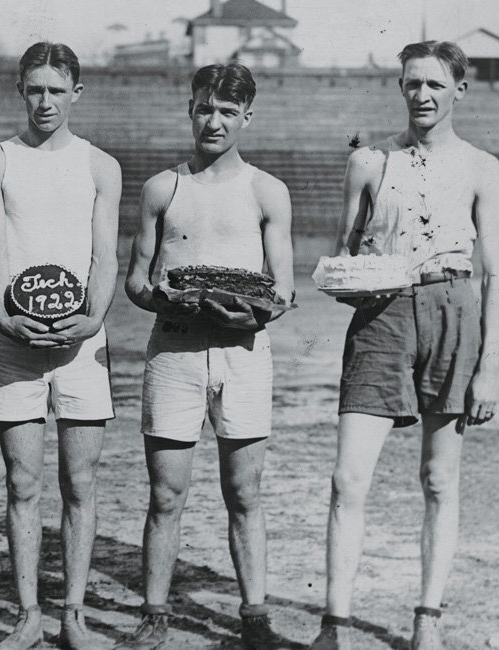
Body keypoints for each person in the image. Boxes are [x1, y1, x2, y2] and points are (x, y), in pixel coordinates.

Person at [308, 41, 499, 650]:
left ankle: (428, 620)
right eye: (411, 83)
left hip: (454, 313)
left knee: (439, 480)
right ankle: (334, 626)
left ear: (459, 91)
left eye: (435, 85)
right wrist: (351, 279)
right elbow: (342, 253)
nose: (421, 95)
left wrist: (488, 368)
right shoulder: (370, 161)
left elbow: (496, 273)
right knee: (348, 479)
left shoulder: (481, 166)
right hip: (383, 317)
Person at [119, 63, 295, 650]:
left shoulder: (267, 190)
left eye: (226, 111)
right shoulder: (162, 188)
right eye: (204, 108)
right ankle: (155, 613)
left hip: (244, 353)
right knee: (166, 493)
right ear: (189, 110)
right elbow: (137, 282)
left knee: (244, 492)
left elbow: (284, 287)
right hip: (175, 350)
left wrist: (254, 310)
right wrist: (174, 300)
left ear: (247, 116)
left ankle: (254, 615)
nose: (213, 121)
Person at [0, 42, 121, 650]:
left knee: (80, 483)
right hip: (16, 343)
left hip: (83, 345)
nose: (45, 102)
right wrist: (5, 319)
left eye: (57, 91)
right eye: (35, 89)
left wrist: (92, 318)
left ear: (75, 94)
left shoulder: (99, 165)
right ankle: (28, 615)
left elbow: (105, 254)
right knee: (22, 482)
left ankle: (74, 616)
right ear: (20, 90)